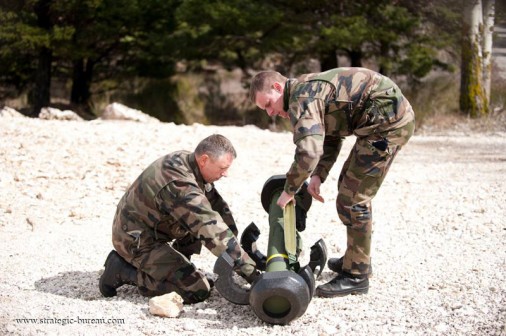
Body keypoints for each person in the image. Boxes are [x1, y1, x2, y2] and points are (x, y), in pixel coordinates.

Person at [249, 67, 415, 298]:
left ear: (277, 88)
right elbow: (331, 133)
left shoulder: (301, 97)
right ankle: (356, 259)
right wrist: (318, 175)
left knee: (354, 199)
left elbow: (308, 151)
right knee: (347, 189)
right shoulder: (304, 89)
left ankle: (356, 276)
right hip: (378, 124)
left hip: (387, 126)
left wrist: (290, 189)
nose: (270, 113)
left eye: (268, 104)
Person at [99, 134, 257, 303]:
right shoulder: (180, 184)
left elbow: (217, 210)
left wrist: (241, 255)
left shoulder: (189, 162)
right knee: (197, 290)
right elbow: (209, 227)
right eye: (222, 168)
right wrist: (252, 275)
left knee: (197, 223)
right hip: (135, 240)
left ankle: (176, 267)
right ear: (204, 160)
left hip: (149, 228)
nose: (225, 174)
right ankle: (122, 270)